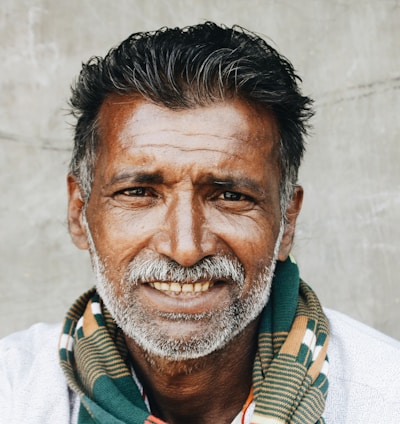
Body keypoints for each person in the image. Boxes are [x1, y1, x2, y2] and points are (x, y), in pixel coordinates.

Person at [1, 22, 399, 424]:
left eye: (230, 196)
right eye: (139, 192)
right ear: (79, 213)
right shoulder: (15, 394)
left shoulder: (385, 398)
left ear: (287, 221)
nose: (185, 248)